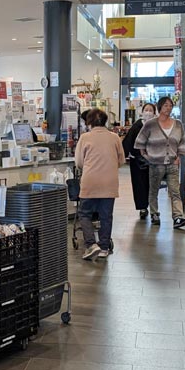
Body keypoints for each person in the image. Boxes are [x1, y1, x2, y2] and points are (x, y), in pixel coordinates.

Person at [74, 108, 125, 260]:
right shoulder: (115, 137)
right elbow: (121, 160)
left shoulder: (85, 138)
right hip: (109, 183)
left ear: (88, 122)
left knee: (85, 213)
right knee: (106, 216)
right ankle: (104, 247)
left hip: (90, 181)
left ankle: (91, 245)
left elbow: (79, 162)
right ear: (105, 121)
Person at [134, 96, 185, 229]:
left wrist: (179, 157)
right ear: (159, 107)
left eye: (170, 105)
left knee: (175, 191)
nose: (168, 108)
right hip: (155, 163)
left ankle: (178, 217)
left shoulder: (177, 124)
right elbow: (140, 141)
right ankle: (154, 213)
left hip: (172, 163)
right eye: (165, 105)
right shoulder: (151, 124)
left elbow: (182, 142)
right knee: (153, 190)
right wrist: (146, 155)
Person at [121, 103, 156, 220]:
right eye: (146, 110)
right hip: (137, 161)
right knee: (139, 185)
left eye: (151, 110)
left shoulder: (156, 125)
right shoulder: (136, 126)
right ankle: (142, 207)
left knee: (152, 185)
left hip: (153, 159)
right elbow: (128, 141)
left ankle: (154, 209)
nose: (148, 112)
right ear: (142, 111)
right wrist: (124, 155)